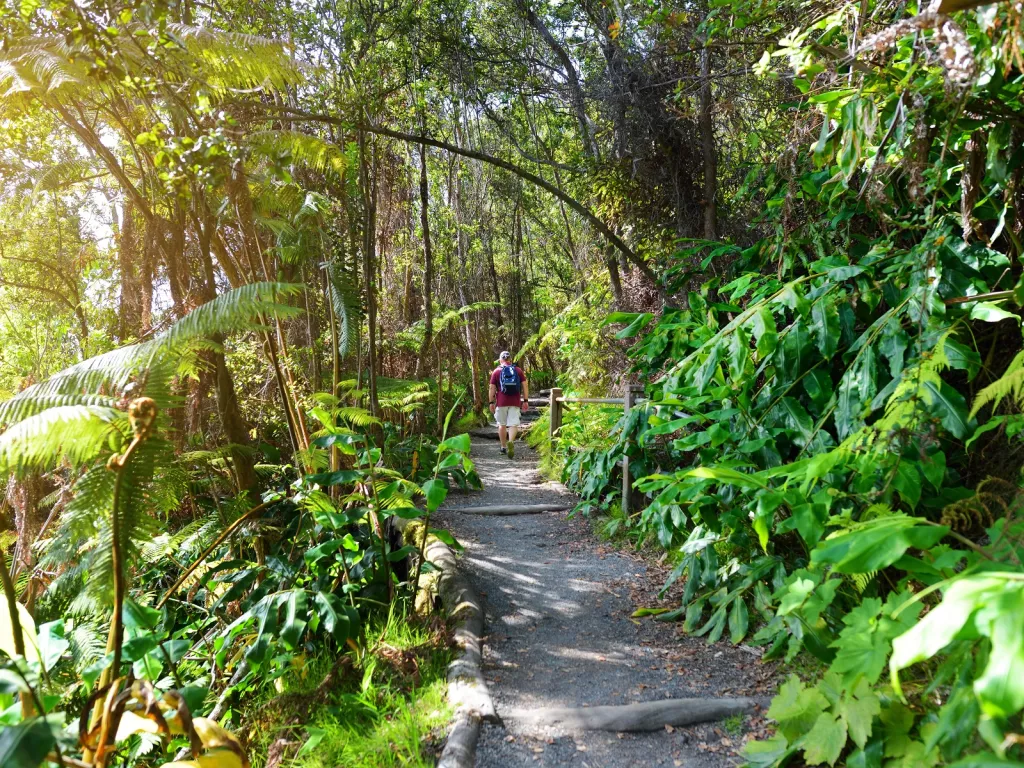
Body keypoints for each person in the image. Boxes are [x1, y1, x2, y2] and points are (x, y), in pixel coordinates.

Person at [488, 351, 529, 459]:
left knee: (502, 424)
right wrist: (525, 400)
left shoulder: (496, 371)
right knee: (513, 424)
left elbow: (492, 388)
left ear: (501, 360)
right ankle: (510, 441)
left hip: (501, 402)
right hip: (515, 401)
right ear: (510, 359)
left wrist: (491, 402)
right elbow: (525, 385)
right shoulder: (518, 370)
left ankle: (503, 447)